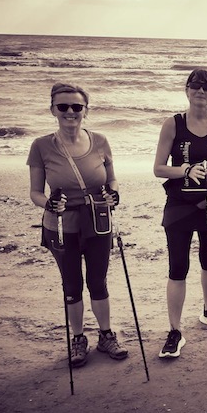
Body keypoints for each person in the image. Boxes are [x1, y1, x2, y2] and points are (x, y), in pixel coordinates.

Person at [27, 82, 128, 368]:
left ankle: (106, 336)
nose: (70, 112)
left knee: (99, 282)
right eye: (63, 107)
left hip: (97, 222)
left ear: (86, 110)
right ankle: (78, 339)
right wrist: (48, 202)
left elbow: (112, 180)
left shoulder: (100, 141)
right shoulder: (41, 146)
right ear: (53, 110)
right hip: (61, 226)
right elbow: (35, 192)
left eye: (76, 106)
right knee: (72, 285)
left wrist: (114, 193)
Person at [153, 69, 207, 359]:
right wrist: (186, 170)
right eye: (195, 86)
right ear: (187, 91)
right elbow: (159, 168)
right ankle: (175, 330)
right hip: (179, 205)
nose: (201, 91)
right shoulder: (173, 124)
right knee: (177, 267)